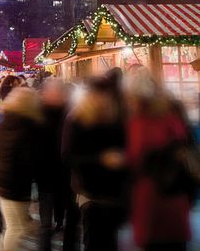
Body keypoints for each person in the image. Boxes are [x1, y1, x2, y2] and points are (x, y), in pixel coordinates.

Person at [125, 67, 194, 251]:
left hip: (151, 194)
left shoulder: (139, 121)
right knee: (175, 242)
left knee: (155, 242)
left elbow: (136, 157)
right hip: (176, 192)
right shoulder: (172, 115)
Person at [62, 76, 128, 251]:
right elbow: (68, 157)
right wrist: (101, 159)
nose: (105, 99)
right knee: (94, 242)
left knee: (110, 241)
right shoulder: (77, 119)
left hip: (114, 193)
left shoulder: (115, 118)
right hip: (90, 192)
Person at [0, 86, 43, 251]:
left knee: (14, 226)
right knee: (16, 228)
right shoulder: (29, 127)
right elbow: (32, 156)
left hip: (3, 181)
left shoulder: (4, 122)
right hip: (15, 183)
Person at [37, 79, 77, 251]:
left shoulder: (72, 113)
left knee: (71, 218)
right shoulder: (38, 114)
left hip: (66, 173)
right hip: (46, 174)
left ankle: (67, 243)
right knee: (45, 223)